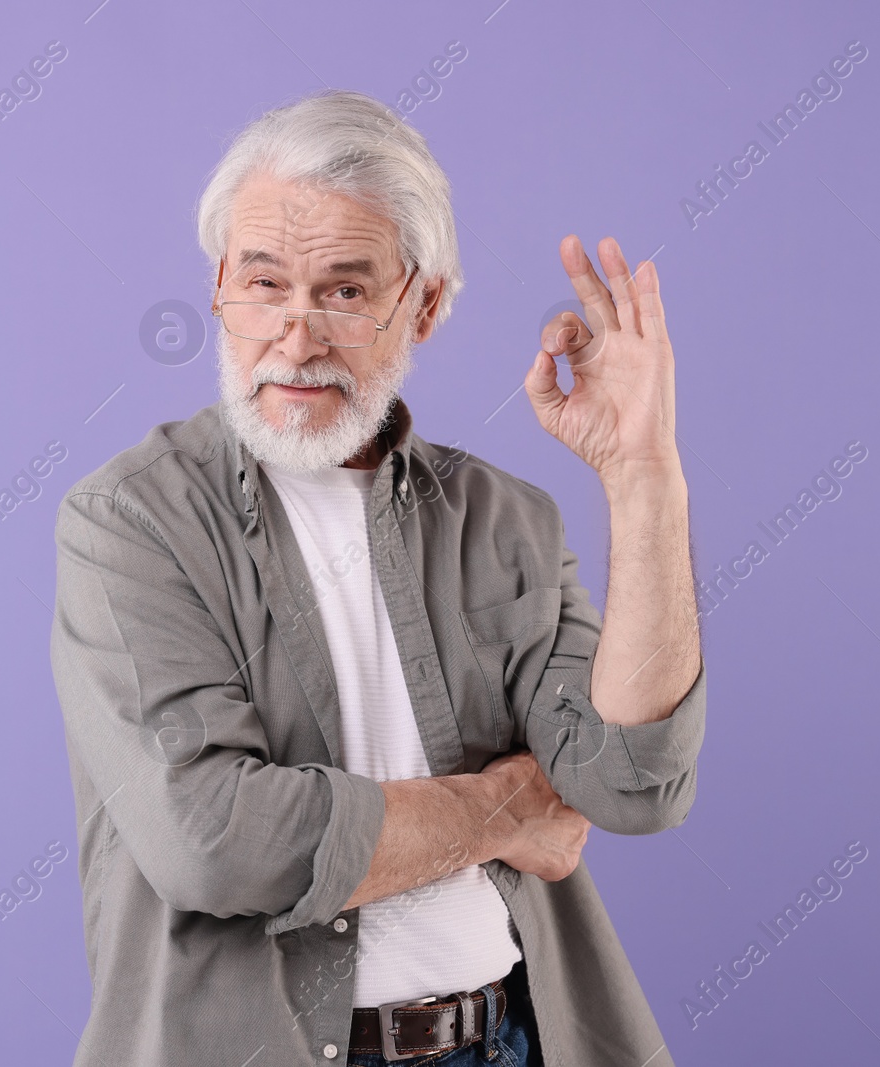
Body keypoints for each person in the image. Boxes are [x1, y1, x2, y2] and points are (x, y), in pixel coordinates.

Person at [48, 87, 705, 1066]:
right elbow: (214, 838)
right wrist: (511, 806)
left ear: (424, 303)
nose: (297, 335)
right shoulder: (131, 522)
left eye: (347, 291)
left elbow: (632, 780)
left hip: (500, 1040)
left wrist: (644, 477)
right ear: (218, 286)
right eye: (264, 283)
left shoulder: (504, 519)